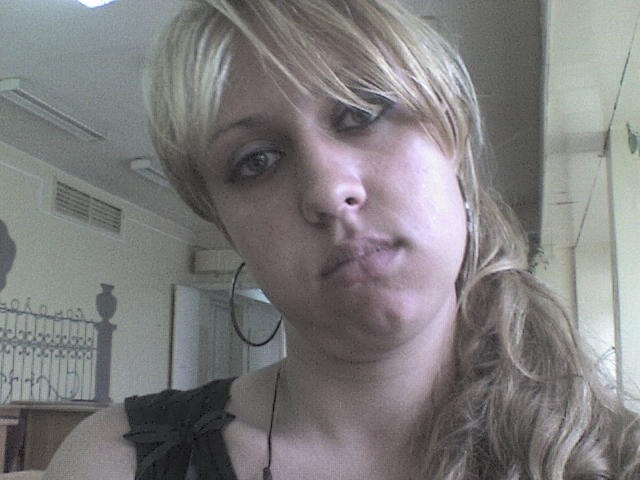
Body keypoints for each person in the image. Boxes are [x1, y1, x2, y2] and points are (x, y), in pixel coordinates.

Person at [44, 1, 640, 479]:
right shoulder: (119, 461)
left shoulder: (618, 456)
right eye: (256, 161)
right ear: (224, 224)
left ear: (451, 135)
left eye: (360, 112)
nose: (328, 191)